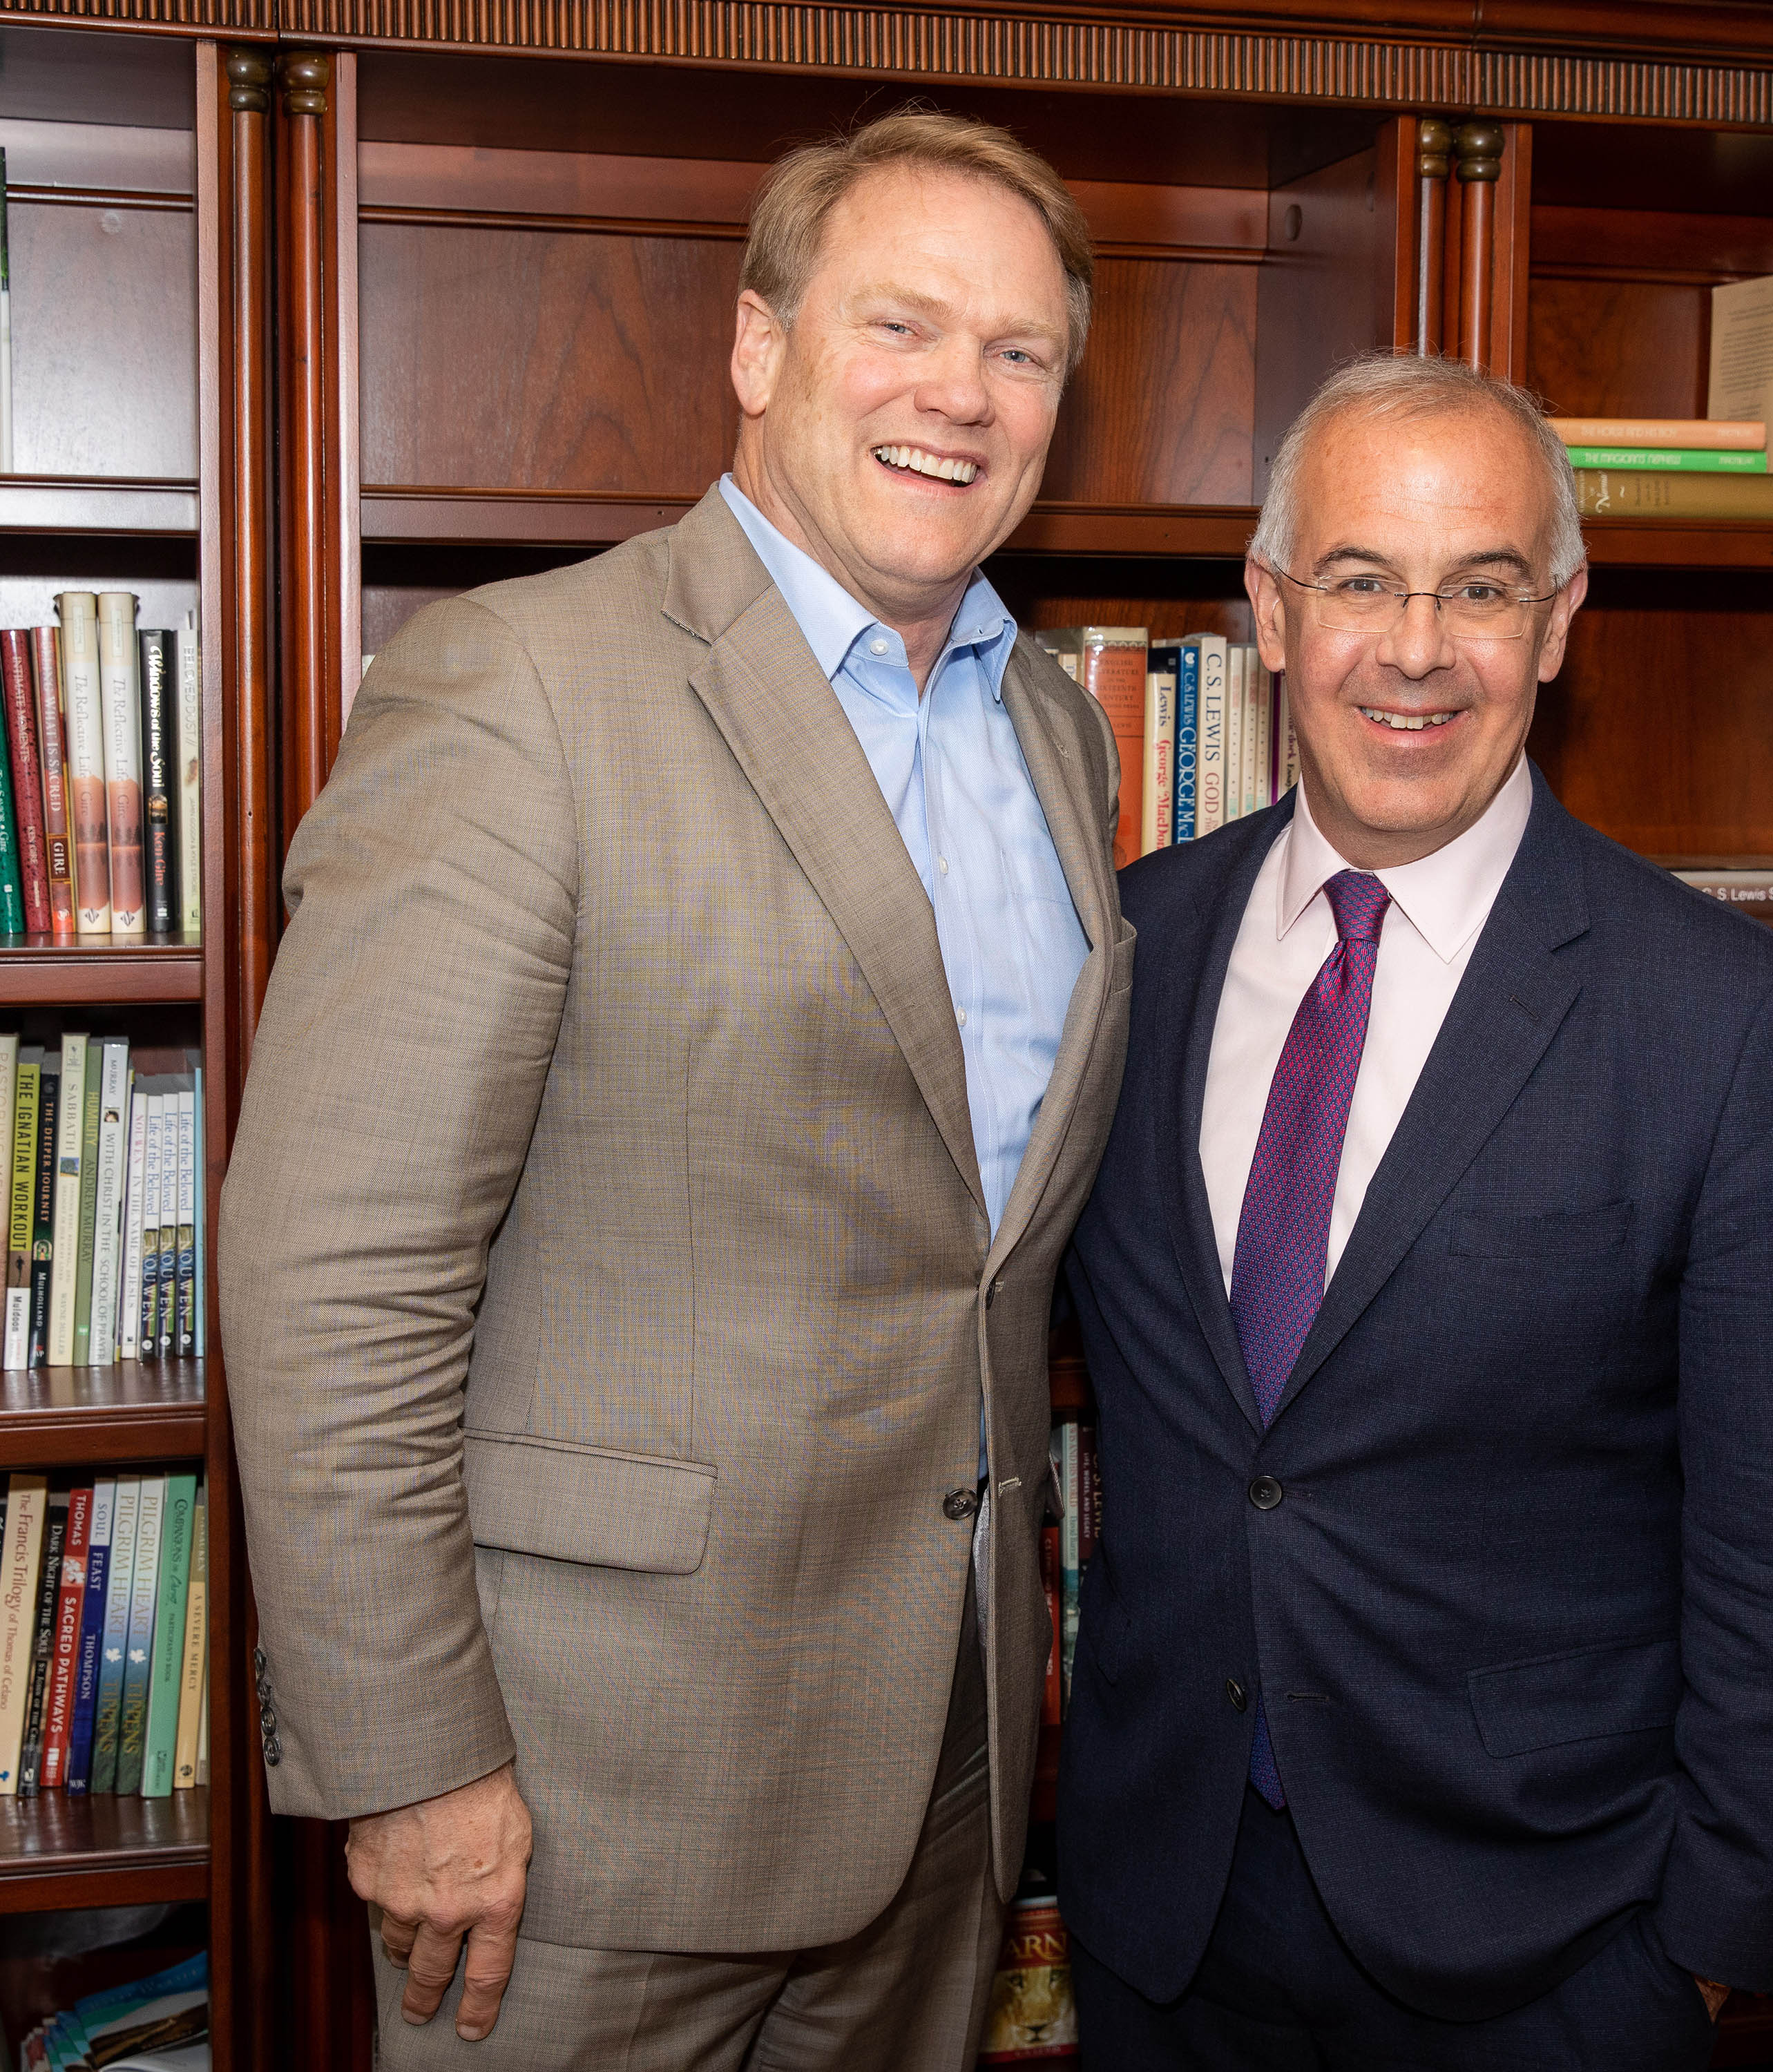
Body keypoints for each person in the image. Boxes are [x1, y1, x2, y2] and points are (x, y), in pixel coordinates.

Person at [219, 110, 1133, 2071]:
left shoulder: (1057, 728)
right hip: (576, 1809)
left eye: (1019, 353)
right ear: (759, 347)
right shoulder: (520, 692)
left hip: (945, 1780)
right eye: (902, 325)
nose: (958, 396)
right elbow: (334, 1279)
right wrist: (415, 1768)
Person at [1057, 351, 1773, 2070]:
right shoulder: (1125, 952)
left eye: (1483, 587)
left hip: (1550, 1958)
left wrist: (1698, 1960)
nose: (1417, 646)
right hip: (1166, 1923)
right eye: (1359, 578)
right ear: (1272, 614)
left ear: (1560, 621)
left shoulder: (1725, 1025)